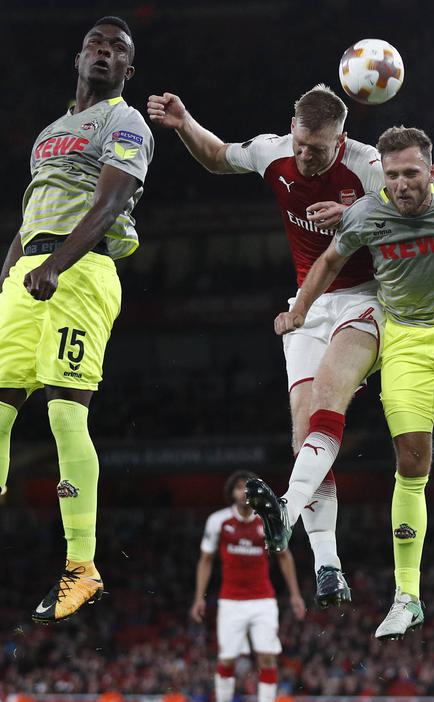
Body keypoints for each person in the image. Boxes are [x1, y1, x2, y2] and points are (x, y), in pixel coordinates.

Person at [0, 16, 154, 623]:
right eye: (96, 45)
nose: (104, 53)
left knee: (65, 406)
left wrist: (59, 265)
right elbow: (28, 221)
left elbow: (111, 201)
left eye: (117, 50)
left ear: (129, 69)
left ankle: (83, 567)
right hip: (30, 274)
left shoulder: (125, 121)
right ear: (79, 57)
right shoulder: (49, 132)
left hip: (83, 270)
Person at [274, 125, 434, 639]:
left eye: (411, 173)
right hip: (404, 335)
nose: (402, 184)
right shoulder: (368, 213)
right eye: (391, 176)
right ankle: (406, 597)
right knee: (410, 459)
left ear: (431, 171)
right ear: (381, 179)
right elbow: (330, 261)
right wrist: (299, 310)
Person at [146, 84, 385, 607]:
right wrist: (185, 123)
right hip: (307, 304)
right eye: (300, 143)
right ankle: (329, 568)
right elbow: (217, 157)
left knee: (327, 394)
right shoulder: (275, 152)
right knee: (304, 433)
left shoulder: (368, 166)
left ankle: (285, 510)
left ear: (340, 139)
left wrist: (358, 215)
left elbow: (415, 209)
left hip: (366, 299)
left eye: (316, 149)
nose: (304, 156)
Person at [192, 472, 305, 702]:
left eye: (248, 487)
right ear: (231, 492)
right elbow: (205, 560)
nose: (243, 492)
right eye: (239, 487)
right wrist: (198, 598)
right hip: (230, 601)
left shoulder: (267, 520)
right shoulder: (218, 521)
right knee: (227, 659)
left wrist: (295, 595)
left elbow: (284, 556)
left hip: (263, 600)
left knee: (267, 657)